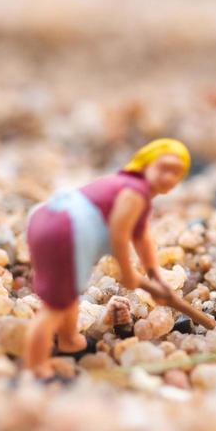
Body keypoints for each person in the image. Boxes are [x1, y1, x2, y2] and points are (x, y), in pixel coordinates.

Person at [22, 138, 189, 378]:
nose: (169, 178)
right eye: (164, 168)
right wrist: (128, 274)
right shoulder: (134, 194)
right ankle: (35, 364)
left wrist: (154, 274)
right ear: (145, 163)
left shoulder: (134, 191)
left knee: (67, 294)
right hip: (64, 230)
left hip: (53, 221)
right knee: (56, 306)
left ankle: (69, 340)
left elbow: (142, 237)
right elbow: (119, 234)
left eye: (177, 174)